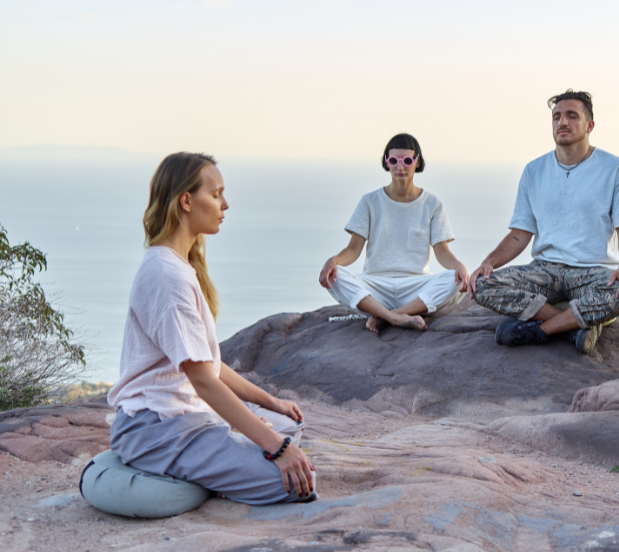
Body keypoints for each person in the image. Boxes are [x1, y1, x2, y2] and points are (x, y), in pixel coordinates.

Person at [108, 152, 317, 505]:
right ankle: (221, 467)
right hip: (157, 428)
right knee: (299, 483)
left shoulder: (179, 266)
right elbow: (204, 381)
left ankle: (225, 460)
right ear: (187, 201)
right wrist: (276, 449)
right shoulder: (166, 276)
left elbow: (211, 366)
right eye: (216, 194)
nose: (226, 204)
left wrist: (272, 403)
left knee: (288, 424)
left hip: (187, 416)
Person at [469, 89, 619, 355]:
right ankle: (573, 328)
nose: (562, 122)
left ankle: (542, 330)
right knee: (481, 284)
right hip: (544, 270)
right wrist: (488, 262)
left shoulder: (615, 168)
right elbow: (520, 234)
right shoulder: (533, 170)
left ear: (590, 125)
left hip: (591, 271)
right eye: (557, 117)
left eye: (572, 116)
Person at [319, 133, 469, 332]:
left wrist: (459, 266)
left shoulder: (432, 204)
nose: (400, 167)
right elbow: (353, 250)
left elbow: (442, 252)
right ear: (386, 162)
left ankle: (388, 315)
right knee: (334, 276)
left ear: (417, 162)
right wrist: (333, 261)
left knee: (454, 279)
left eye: (407, 160)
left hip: (415, 287)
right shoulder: (369, 201)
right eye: (394, 160)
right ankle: (395, 317)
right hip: (376, 286)